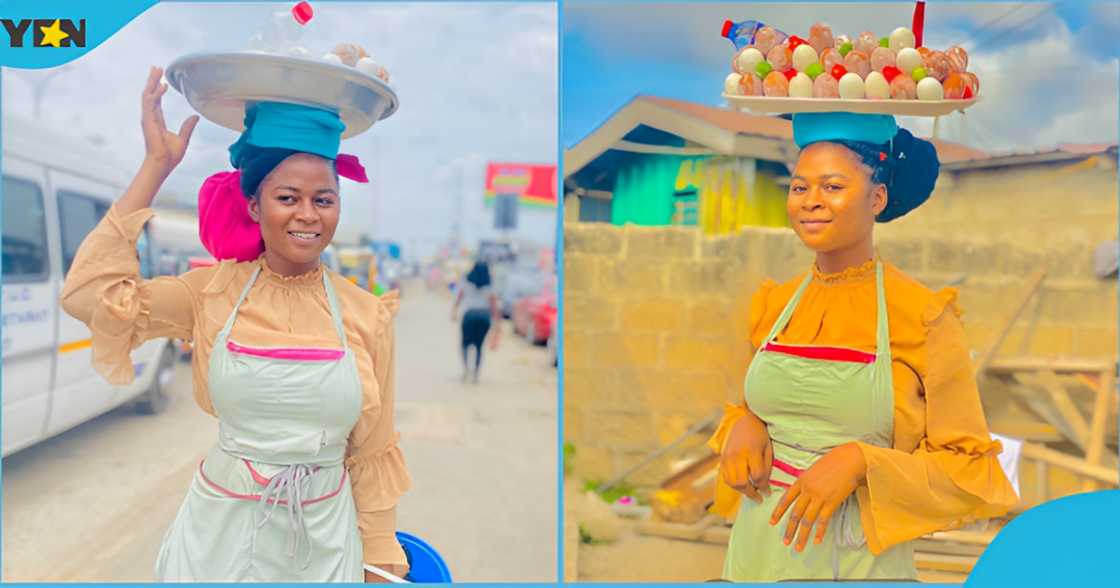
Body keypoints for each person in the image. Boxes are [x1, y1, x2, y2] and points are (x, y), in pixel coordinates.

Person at [60, 67, 410, 582]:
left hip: (325, 543)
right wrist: (156, 166)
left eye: (324, 199)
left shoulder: (366, 312)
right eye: (287, 197)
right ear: (254, 206)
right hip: (215, 543)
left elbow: (373, 450)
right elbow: (89, 296)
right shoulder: (211, 292)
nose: (308, 214)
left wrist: (379, 560)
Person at [708, 112, 1018, 581]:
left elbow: (968, 470)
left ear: (877, 198)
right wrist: (743, 424)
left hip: (856, 564)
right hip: (755, 556)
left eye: (833, 186)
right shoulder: (774, 305)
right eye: (800, 187)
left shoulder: (923, 317)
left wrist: (863, 462)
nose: (811, 201)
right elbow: (756, 407)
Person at [451, 260, 500, 383]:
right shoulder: (490, 284)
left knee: (464, 344)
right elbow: (493, 305)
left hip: (469, 315)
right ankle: (476, 374)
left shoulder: (466, 281)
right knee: (479, 346)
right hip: (484, 317)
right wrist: (497, 322)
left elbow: (459, 297)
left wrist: (454, 311)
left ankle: (466, 369)